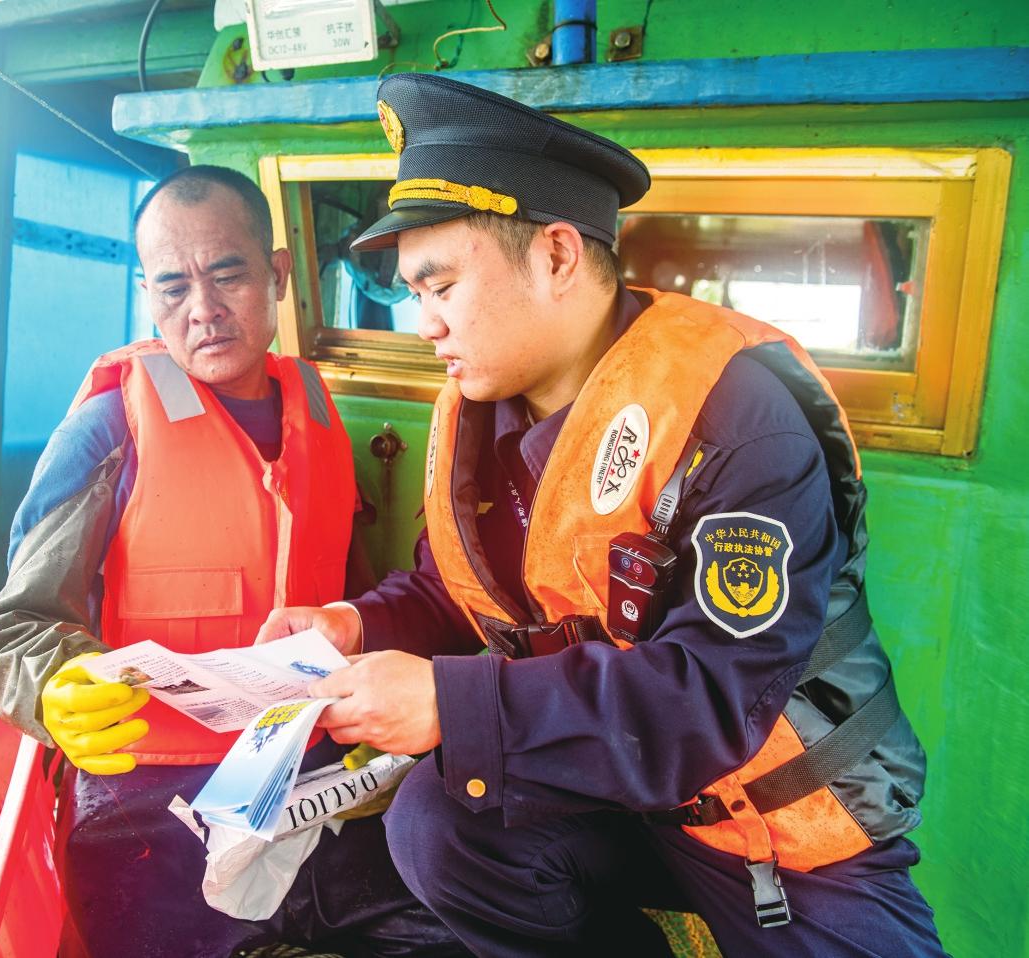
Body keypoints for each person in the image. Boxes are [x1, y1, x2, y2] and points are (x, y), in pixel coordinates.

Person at [257, 74, 947, 957]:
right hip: (606, 787)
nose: (425, 324)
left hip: (772, 820)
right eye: (412, 295)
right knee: (439, 820)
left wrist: (448, 702)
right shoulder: (478, 414)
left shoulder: (734, 417)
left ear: (555, 256)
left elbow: (713, 698)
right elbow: (452, 591)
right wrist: (353, 625)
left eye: (442, 286)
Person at [0, 165, 462, 958]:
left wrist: (374, 701)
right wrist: (54, 687)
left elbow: (353, 594)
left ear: (276, 274)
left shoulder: (317, 415)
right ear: (147, 296)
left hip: (308, 766)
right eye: (172, 287)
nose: (201, 309)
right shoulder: (107, 429)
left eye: (227, 275)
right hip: (148, 797)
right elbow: (11, 629)